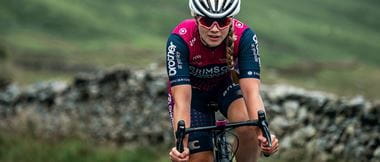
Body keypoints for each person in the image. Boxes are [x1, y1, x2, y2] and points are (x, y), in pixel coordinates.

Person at [166, 0, 279, 161]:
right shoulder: (180, 39)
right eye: (207, 21)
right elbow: (182, 101)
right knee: (200, 159)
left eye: (222, 21)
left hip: (227, 88)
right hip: (194, 96)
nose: (215, 29)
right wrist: (182, 146)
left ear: (231, 19)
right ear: (196, 18)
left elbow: (251, 93)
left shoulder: (245, 36)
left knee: (249, 127)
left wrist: (263, 134)